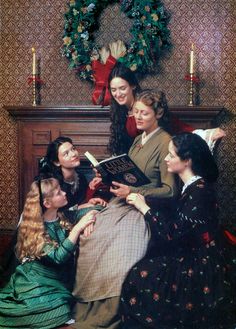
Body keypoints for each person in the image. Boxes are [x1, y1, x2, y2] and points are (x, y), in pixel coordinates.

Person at [72, 90, 177, 329]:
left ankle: (108, 311)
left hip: (144, 207)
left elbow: (170, 191)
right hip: (123, 202)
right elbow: (127, 174)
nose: (137, 117)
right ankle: (87, 305)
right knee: (92, 234)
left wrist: (133, 193)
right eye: (135, 112)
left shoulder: (165, 142)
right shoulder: (138, 140)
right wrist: (105, 176)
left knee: (119, 247)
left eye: (144, 113)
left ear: (158, 113)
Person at [121, 132, 235, 329]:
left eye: (171, 155)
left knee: (140, 275)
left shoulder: (200, 190)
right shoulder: (191, 184)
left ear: (187, 161)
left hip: (201, 263)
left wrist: (143, 207)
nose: (166, 158)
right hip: (192, 251)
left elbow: (172, 233)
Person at [0, 177, 98, 329]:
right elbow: (58, 257)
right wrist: (78, 228)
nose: (64, 193)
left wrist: (94, 209)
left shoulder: (64, 216)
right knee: (54, 311)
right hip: (36, 280)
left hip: (59, 281)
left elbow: (94, 210)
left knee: (62, 308)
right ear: (47, 203)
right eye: (59, 192)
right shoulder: (35, 230)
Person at [107, 62, 226, 156]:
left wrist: (206, 135)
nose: (118, 94)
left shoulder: (147, 104)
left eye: (122, 88)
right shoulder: (119, 111)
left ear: (132, 86)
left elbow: (176, 126)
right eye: (113, 90)